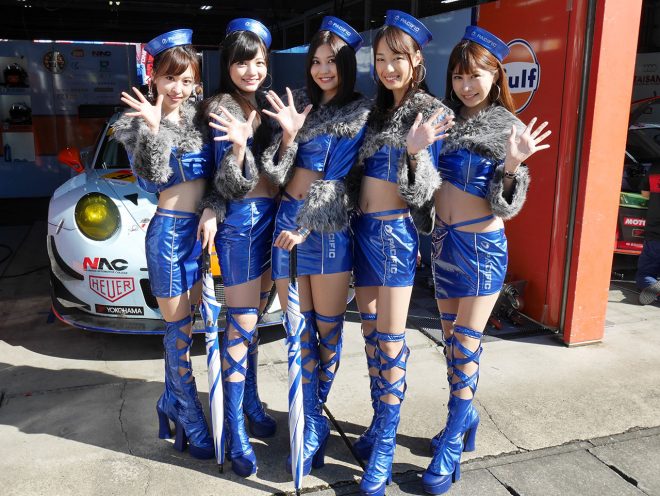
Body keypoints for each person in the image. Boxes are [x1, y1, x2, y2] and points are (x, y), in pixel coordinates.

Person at [420, 26, 551, 495]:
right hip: (443, 246)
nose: (466, 85)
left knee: (466, 344)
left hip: (481, 249)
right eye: (458, 76)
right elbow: (423, 184)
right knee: (451, 344)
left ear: (495, 76)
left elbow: (506, 206)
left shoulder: (509, 128)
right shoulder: (442, 121)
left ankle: (452, 441)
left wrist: (512, 167)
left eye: (475, 75)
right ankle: (465, 417)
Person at [346, 10, 454, 496]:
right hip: (362, 233)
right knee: (371, 335)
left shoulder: (431, 113)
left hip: (393, 237)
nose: (388, 68)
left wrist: (414, 152)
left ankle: (386, 446)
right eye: (381, 59)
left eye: (398, 59)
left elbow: (425, 193)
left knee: (390, 340)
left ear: (417, 62)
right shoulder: (374, 112)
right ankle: (378, 421)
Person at [260, 16, 370, 476]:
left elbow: (341, 180)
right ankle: (308, 426)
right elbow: (275, 174)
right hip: (285, 223)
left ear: (346, 66)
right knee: (297, 333)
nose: (323, 70)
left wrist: (309, 224)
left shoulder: (359, 113)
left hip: (326, 231)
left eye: (332, 62)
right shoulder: (299, 107)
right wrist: (287, 137)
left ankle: (315, 414)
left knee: (328, 333)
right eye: (317, 61)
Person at [112, 29, 215, 459]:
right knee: (178, 330)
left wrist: (212, 208)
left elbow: (217, 176)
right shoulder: (135, 123)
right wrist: (154, 131)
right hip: (169, 235)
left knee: (192, 325)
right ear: (154, 78)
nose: (178, 88)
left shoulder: (203, 121)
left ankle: (171, 400)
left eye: (187, 80)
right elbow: (150, 182)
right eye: (171, 78)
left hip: (202, 235)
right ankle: (188, 410)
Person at [197, 18, 278, 477]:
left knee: (254, 322)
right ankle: (234, 427)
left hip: (271, 221)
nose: (252, 71)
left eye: (259, 62)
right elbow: (221, 181)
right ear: (227, 64)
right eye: (243, 62)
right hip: (243, 223)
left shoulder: (265, 105)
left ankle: (249, 400)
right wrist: (239, 149)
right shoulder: (221, 109)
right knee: (242, 322)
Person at [636, 163, 660, 305]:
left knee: (644, 274)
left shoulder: (656, 167)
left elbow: (645, 193)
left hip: (655, 231)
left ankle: (651, 285)